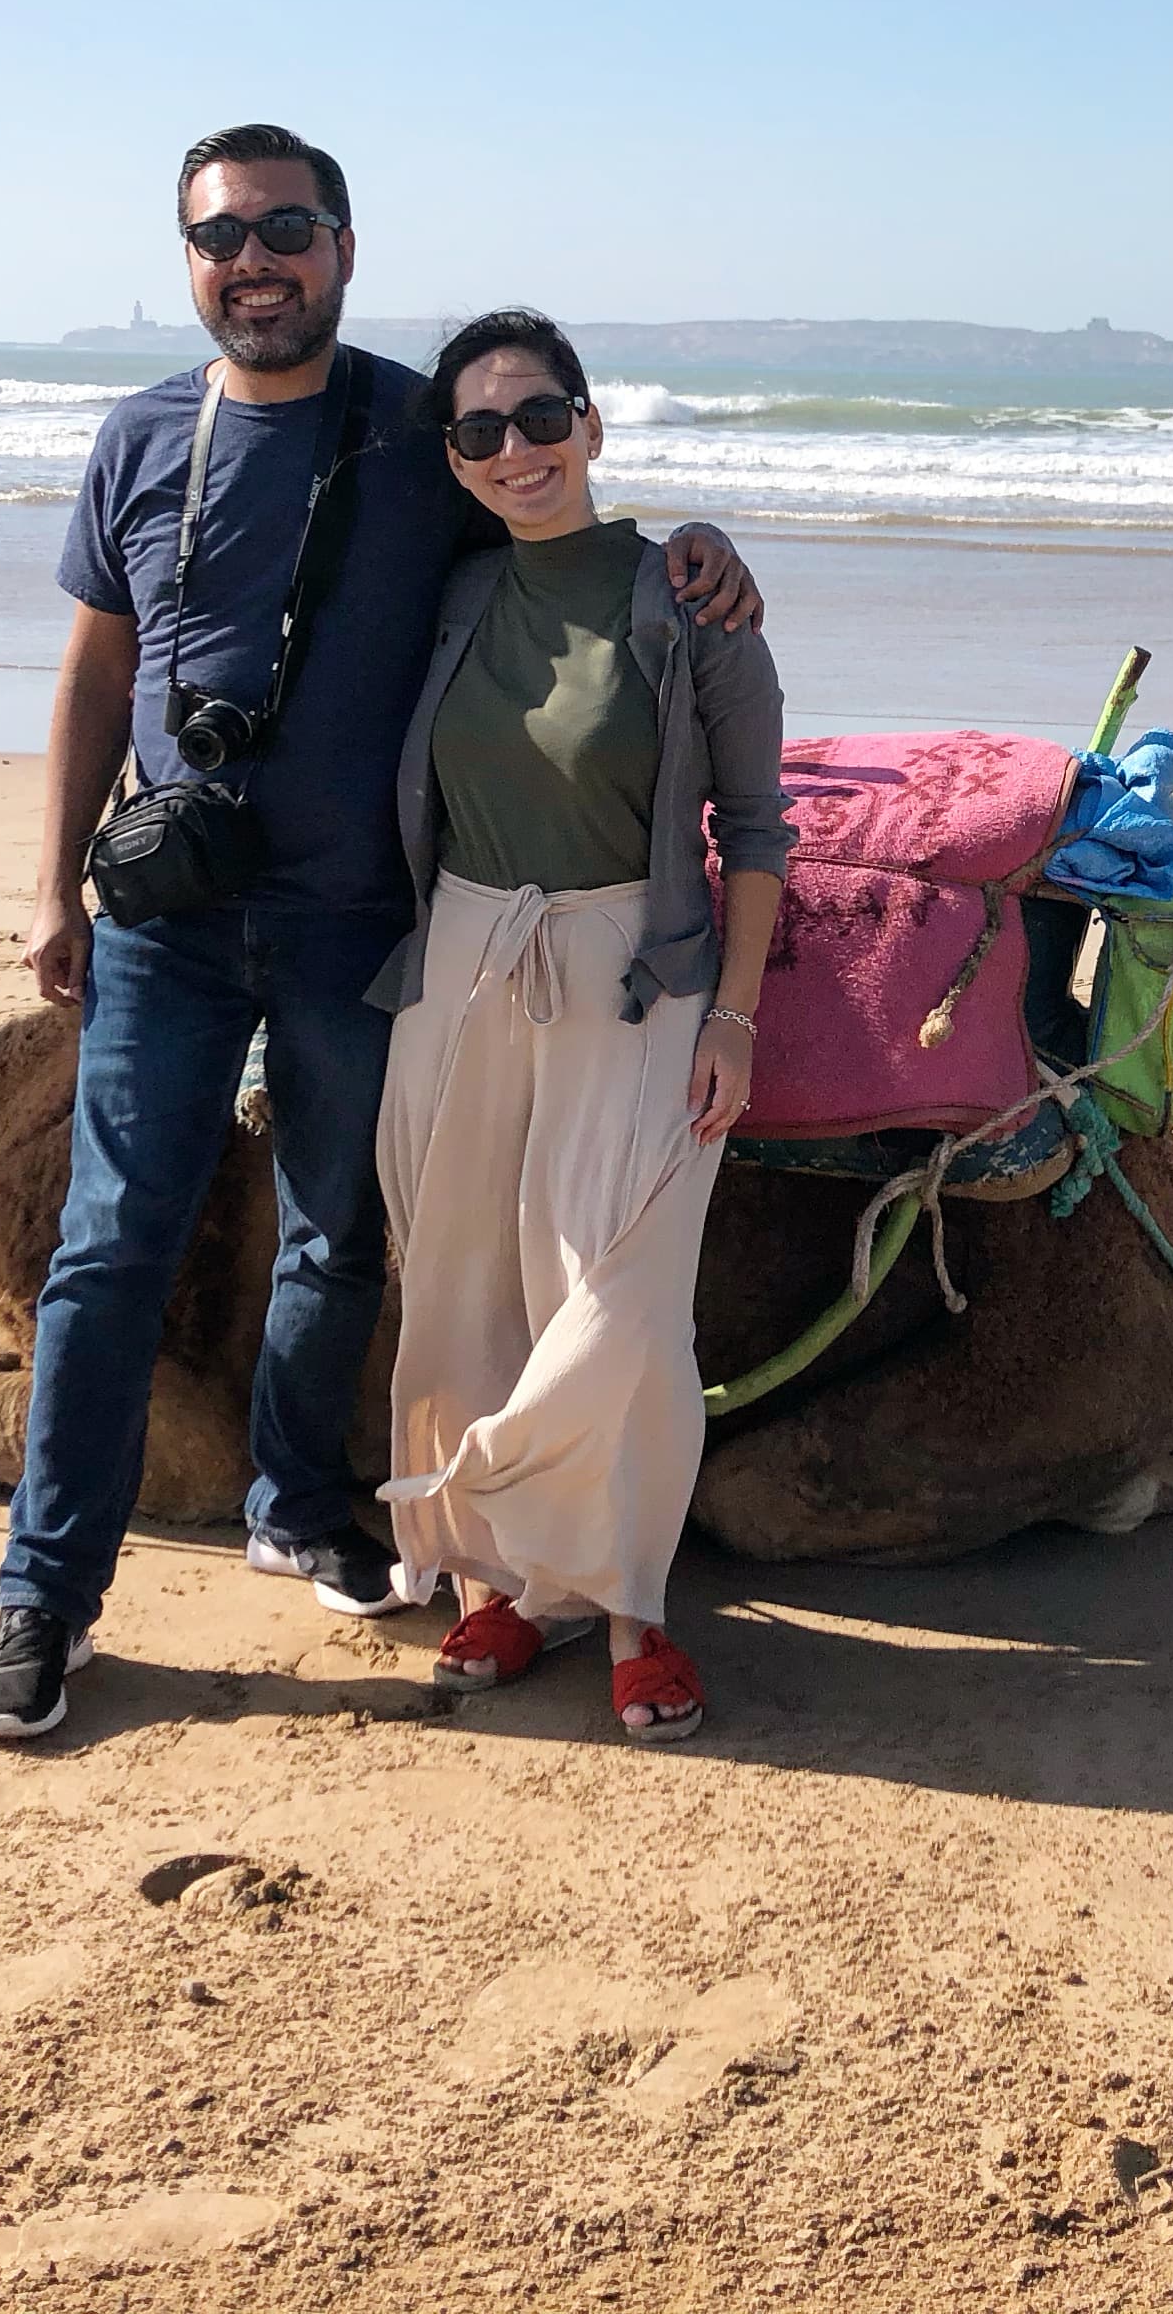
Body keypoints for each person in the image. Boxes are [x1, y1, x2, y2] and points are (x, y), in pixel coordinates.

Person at [0, 129, 757, 1744]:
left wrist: (703, 551)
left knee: (344, 1235)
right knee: (110, 1252)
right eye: (221, 236)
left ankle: (296, 1502)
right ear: (188, 260)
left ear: (342, 245)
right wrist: (55, 884)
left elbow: (551, 520)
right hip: (171, 925)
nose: (254, 260)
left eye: (288, 229)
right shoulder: (136, 438)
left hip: (362, 931)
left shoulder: (416, 428)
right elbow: (95, 678)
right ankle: (44, 1600)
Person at [368, 309, 787, 1743]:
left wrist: (731, 1011)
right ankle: (499, 1580)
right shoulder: (451, 591)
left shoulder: (690, 598)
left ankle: (631, 1607)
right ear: (457, 460)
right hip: (461, 958)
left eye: (541, 417)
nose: (516, 450)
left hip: (635, 964)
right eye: (480, 431)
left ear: (593, 425)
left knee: (614, 1293)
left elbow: (761, 829)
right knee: (466, 1278)